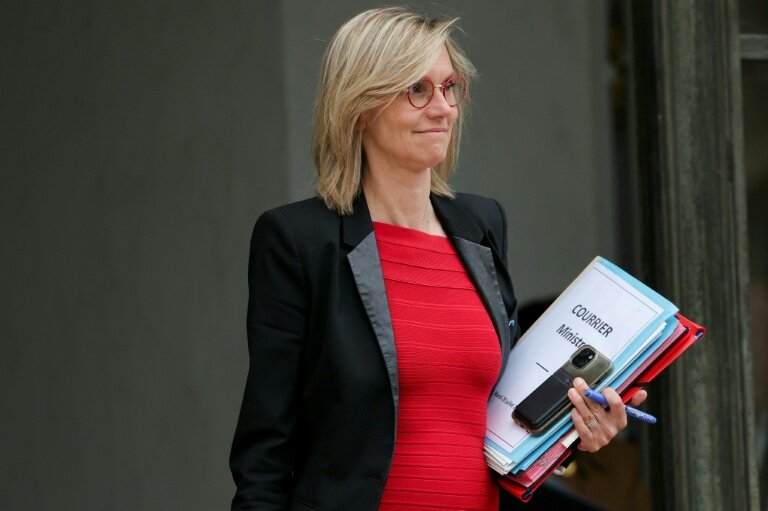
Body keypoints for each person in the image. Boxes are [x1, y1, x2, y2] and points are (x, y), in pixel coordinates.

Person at [229, 7, 648, 511]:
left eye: (450, 87)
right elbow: (266, 447)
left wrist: (576, 430)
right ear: (360, 106)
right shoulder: (298, 240)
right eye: (418, 90)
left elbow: (498, 414)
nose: (443, 108)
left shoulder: (482, 224)